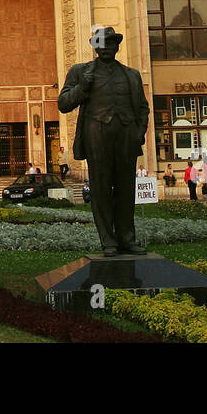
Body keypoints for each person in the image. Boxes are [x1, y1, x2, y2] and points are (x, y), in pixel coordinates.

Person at [58, 25, 150, 257]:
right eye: (102, 43)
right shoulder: (81, 72)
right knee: (100, 190)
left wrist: (139, 132)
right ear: (95, 47)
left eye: (111, 43)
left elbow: (142, 107)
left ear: (117, 46)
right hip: (96, 135)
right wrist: (82, 88)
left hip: (126, 136)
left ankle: (127, 239)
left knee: (126, 190)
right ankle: (108, 241)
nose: (107, 47)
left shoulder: (131, 75)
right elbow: (63, 103)